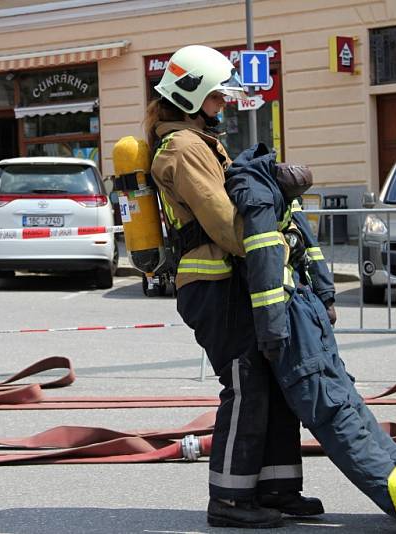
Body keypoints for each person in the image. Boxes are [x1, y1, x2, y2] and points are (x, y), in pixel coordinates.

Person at [225, 143, 396, 534]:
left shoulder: (256, 198)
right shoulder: (279, 196)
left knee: (339, 425)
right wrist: (326, 297)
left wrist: (271, 337)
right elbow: (313, 254)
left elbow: (266, 272)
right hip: (310, 316)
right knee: (355, 416)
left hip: (291, 324)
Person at [147, 45, 322, 529]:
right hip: (212, 283)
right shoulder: (184, 148)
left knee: (272, 380)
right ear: (193, 94)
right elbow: (226, 224)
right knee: (245, 384)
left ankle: (277, 488)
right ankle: (228, 499)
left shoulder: (201, 141)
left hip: (233, 277)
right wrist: (278, 242)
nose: (223, 105)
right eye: (217, 97)